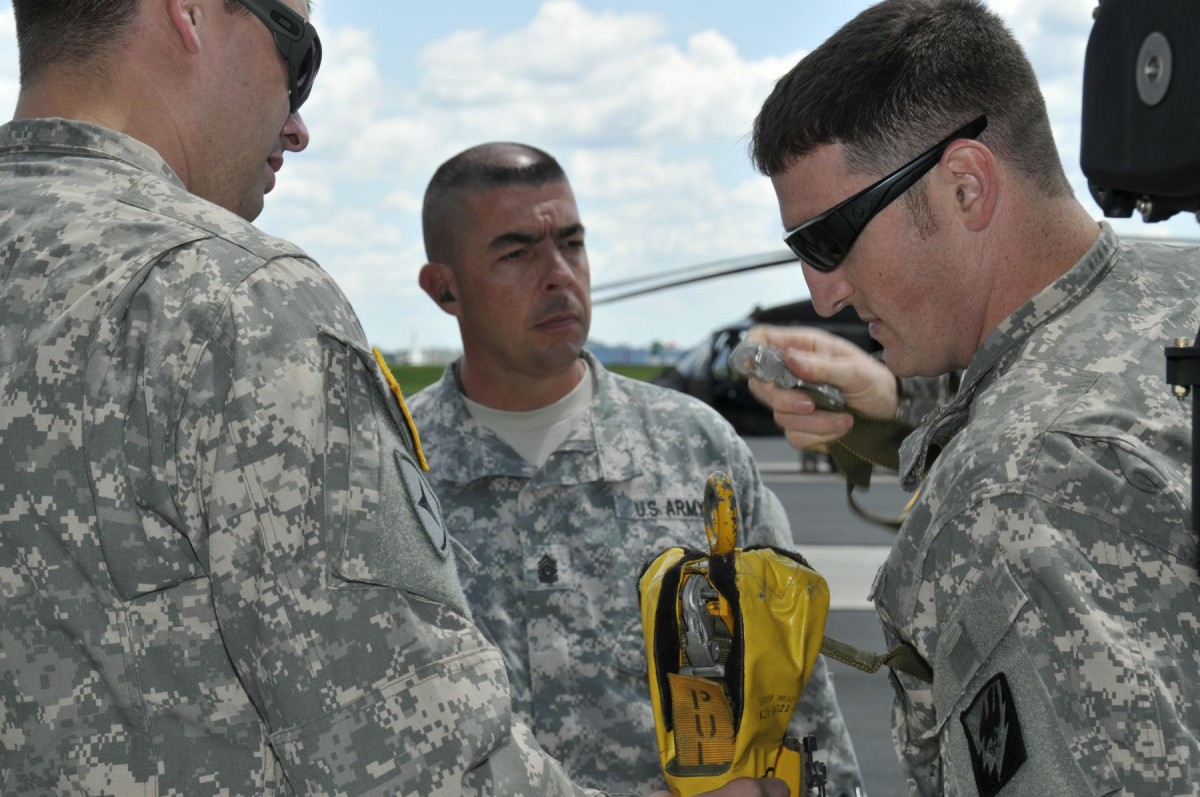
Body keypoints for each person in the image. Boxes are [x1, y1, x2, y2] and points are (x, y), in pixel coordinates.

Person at [0, 2, 786, 796]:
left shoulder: (698, 445)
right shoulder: (235, 301)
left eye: (571, 242)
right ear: (191, 13)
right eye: (297, 54)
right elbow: (414, 756)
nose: (298, 125)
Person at [745, 0, 1200, 794]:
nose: (824, 295)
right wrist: (895, 408)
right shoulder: (1177, 290)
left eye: (829, 238)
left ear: (965, 187)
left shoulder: (1016, 483)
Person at [408, 142, 864, 796]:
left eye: (572, 243)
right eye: (516, 252)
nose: (558, 273)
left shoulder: (696, 448)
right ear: (443, 287)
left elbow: (797, 690)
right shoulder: (397, 468)